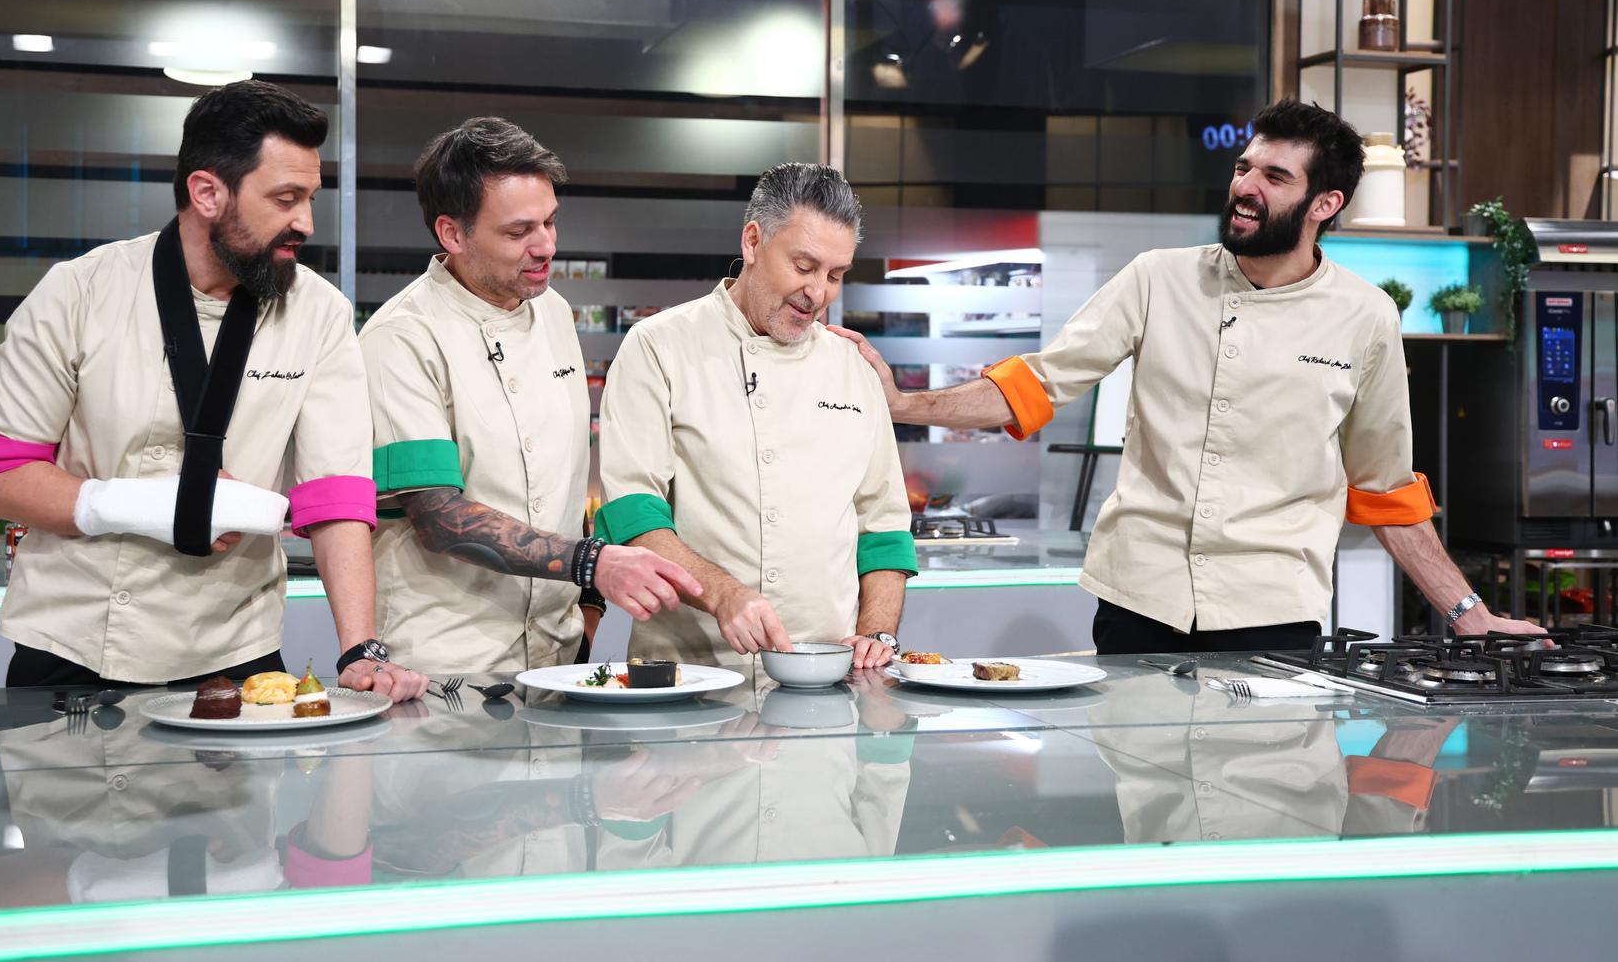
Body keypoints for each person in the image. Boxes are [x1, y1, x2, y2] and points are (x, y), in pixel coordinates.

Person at [832, 99, 1545, 655]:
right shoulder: (1158, 278)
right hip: (1138, 603)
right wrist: (902, 402)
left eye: (1274, 177)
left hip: (1272, 613)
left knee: (1267, 791)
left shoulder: (1366, 318)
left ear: (1325, 204)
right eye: (1243, 168)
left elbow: (1386, 488)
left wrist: (1468, 613)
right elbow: (1037, 384)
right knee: (1146, 790)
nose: (1245, 187)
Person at [0, 79, 426, 699]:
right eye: (285, 198)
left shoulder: (319, 312)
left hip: (233, 651)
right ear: (207, 192)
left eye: (310, 198)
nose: (306, 222)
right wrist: (156, 505)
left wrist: (361, 649)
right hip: (70, 645)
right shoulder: (78, 292)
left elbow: (335, 496)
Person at [358, 117, 699, 675]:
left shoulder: (555, 312)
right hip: (446, 662)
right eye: (519, 232)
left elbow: (565, 483)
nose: (547, 246)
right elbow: (438, 516)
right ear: (452, 234)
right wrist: (593, 564)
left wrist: (588, 610)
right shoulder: (401, 337)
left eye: (550, 221)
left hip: (558, 653)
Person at [596, 163, 916, 680]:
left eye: (835, 275)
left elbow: (883, 526)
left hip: (825, 672)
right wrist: (723, 594)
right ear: (752, 242)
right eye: (804, 266)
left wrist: (877, 635)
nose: (818, 293)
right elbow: (633, 511)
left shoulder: (853, 368)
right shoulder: (659, 346)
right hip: (689, 671)